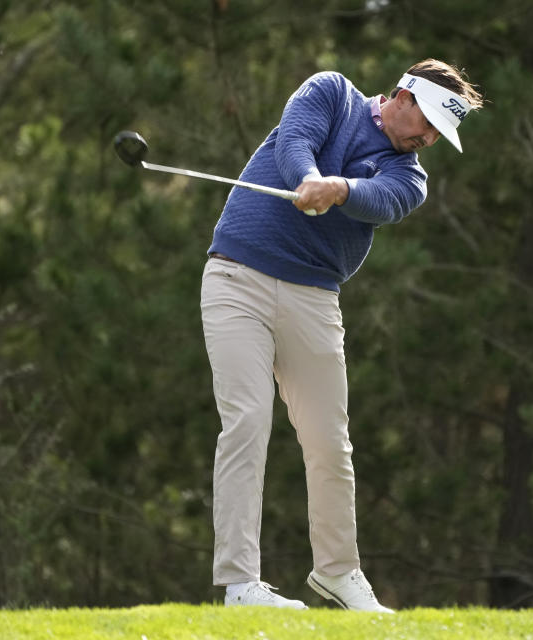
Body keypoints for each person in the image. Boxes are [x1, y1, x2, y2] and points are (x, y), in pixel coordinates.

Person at [200, 59, 483, 611]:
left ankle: (338, 573)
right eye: (425, 122)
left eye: (436, 135)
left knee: (329, 441)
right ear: (402, 95)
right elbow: (295, 142)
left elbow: (381, 200)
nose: (426, 139)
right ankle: (239, 585)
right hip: (237, 277)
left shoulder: (411, 177)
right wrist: (308, 177)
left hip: (313, 298)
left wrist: (341, 187)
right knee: (247, 421)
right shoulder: (332, 92)